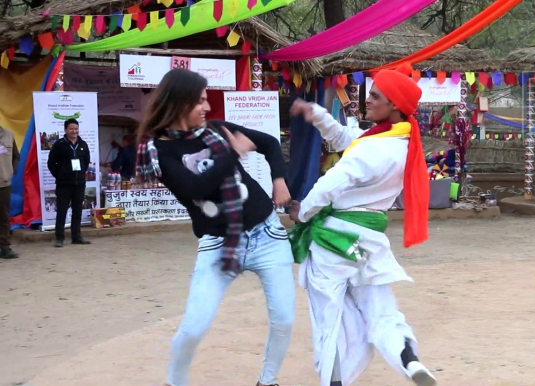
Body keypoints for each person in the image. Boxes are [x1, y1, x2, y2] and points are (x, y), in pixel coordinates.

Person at [135, 69, 294, 386]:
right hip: (218, 243)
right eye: (201, 101)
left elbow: (267, 143)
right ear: (180, 104)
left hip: (267, 235)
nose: (207, 108)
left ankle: (268, 381)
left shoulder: (217, 130)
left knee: (284, 320)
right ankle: (175, 381)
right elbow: (196, 187)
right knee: (194, 326)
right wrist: (233, 152)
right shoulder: (158, 153)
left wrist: (279, 180)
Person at [288, 64, 436, 386]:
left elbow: (329, 184)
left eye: (375, 96)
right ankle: (409, 361)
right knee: (382, 313)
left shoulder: (373, 147)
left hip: (333, 243)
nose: (367, 100)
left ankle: (334, 382)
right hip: (367, 242)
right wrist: (315, 112)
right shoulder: (399, 143)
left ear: (393, 106)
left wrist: (303, 213)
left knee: (328, 322)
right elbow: (345, 137)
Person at [47, 118, 91, 247]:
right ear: (65, 130)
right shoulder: (59, 144)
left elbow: (86, 162)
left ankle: (76, 236)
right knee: (62, 211)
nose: (74, 131)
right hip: (63, 184)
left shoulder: (83, 144)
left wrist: (81, 174)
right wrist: (60, 175)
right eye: (71, 129)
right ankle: (59, 238)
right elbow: (51, 163)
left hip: (79, 184)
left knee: (77, 211)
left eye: (76, 128)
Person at [0, 125, 19, 259]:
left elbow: (16, 156)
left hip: (4, 184)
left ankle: (5, 248)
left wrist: (11, 171)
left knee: (4, 218)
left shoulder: (9, 135)